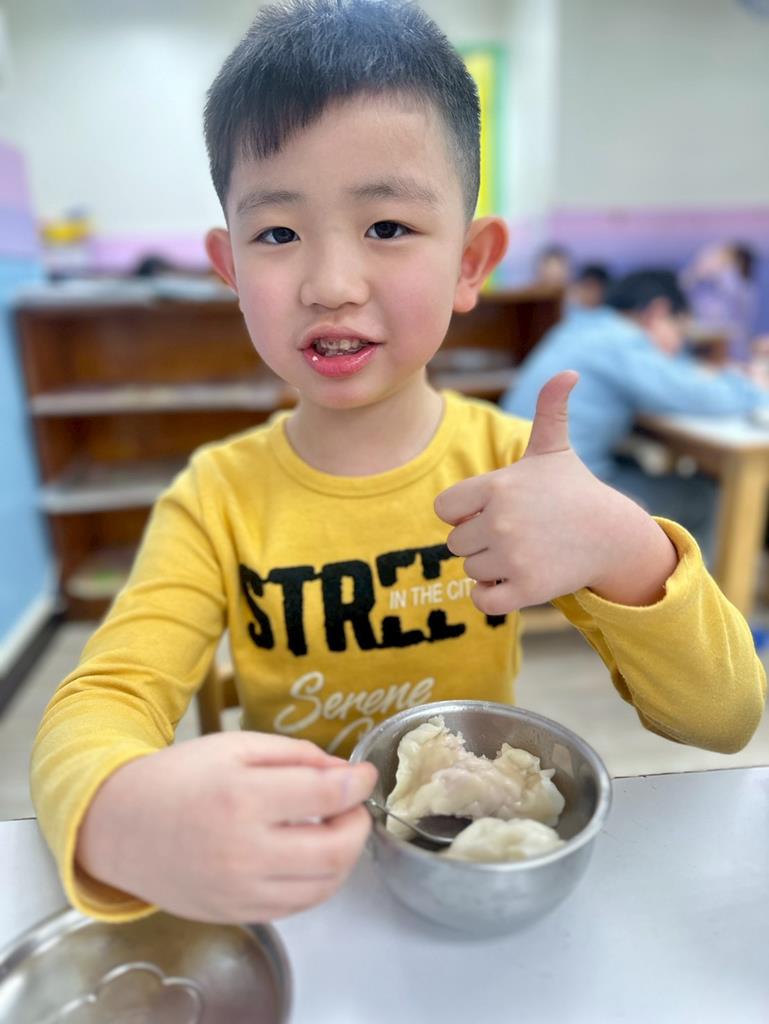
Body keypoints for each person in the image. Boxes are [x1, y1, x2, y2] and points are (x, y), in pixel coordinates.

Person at [31, 1, 765, 928]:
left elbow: (725, 717)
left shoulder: (511, 470)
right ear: (229, 270)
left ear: (470, 263)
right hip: (299, 890)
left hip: (469, 871)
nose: (330, 284)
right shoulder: (214, 499)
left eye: (385, 226)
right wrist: (114, 813)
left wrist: (626, 547)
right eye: (276, 234)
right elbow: (106, 697)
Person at [500, 269, 769, 555]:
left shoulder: (581, 326)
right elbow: (694, 394)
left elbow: (673, 374)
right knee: (708, 497)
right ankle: (693, 584)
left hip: (518, 482)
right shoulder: (622, 341)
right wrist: (755, 389)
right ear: (658, 312)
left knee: (638, 466)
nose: (679, 345)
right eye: (680, 331)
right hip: (557, 500)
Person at [681, 241, 759, 363]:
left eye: (722, 257)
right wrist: (696, 272)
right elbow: (681, 288)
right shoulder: (702, 285)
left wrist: (718, 269)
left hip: (731, 355)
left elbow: (725, 320)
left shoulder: (740, 287)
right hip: (701, 353)